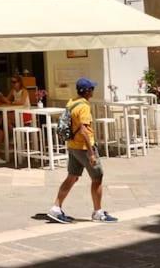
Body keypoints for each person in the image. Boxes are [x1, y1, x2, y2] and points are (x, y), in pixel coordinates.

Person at [47, 77, 118, 223]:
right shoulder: (84, 106)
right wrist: (91, 153)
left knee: (72, 176)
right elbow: (84, 130)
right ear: (87, 91)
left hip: (72, 146)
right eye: (92, 88)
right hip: (84, 147)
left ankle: (56, 208)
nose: (93, 90)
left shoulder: (72, 101)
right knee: (97, 177)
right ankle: (98, 212)